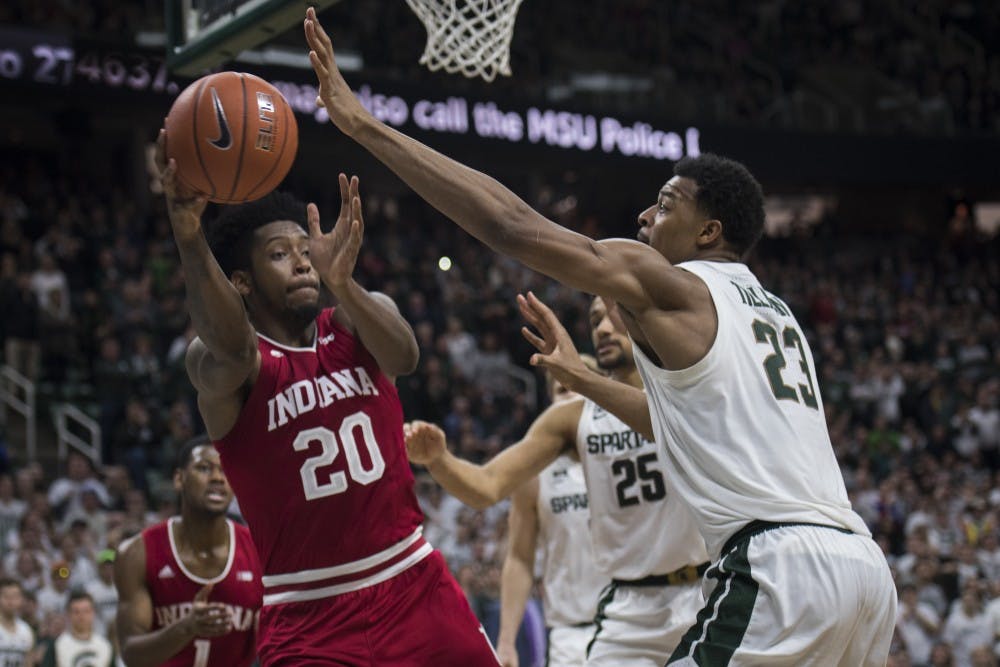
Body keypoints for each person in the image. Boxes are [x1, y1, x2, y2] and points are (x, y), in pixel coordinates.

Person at [305, 9, 896, 663]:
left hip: (780, 569)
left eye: (668, 203)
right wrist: (584, 380)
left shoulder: (677, 284)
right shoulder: (775, 313)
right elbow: (676, 422)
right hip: (862, 569)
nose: (646, 214)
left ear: (709, 232)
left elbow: (510, 224)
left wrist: (363, 125)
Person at [154, 128, 499, 665]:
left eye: (304, 250)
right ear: (241, 281)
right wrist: (188, 234)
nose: (301, 262)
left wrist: (344, 281)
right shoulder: (226, 365)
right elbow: (227, 343)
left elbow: (405, 357)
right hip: (306, 612)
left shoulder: (354, 322)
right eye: (278, 254)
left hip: (410, 582)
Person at [407, 295, 708, 666]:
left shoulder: (686, 391)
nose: (603, 327)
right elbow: (487, 486)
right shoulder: (573, 419)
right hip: (626, 609)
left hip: (702, 594)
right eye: (595, 319)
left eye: (616, 314)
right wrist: (439, 461)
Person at [497, 355, 607, 667]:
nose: (569, 396)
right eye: (561, 391)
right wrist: (506, 641)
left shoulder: (629, 451)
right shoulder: (535, 472)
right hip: (569, 636)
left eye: (577, 387)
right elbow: (519, 556)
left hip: (637, 620)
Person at [114, 436, 262, 667]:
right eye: (204, 468)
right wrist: (187, 627)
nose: (217, 478)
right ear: (178, 479)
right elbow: (131, 654)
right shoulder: (136, 553)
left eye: (226, 469)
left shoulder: (261, 551)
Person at [39, 592, 113, 667]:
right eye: (76, 612)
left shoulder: (105, 645)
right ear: (68, 615)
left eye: (86, 611)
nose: (82, 616)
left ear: (93, 613)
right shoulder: (57, 645)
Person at [0, 578, 34, 667]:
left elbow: (28, 663)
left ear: (21, 599)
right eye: (6, 597)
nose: (11, 601)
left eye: (15, 597)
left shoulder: (26, 630)